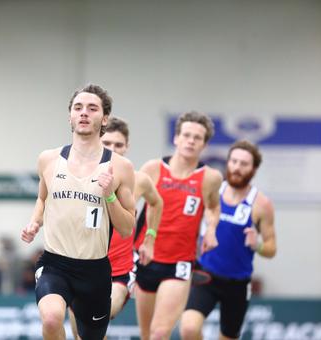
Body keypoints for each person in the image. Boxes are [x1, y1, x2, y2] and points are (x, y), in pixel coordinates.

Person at [21, 84, 136, 340]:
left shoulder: (120, 167)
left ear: (104, 118)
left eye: (92, 108)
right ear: (70, 116)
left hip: (94, 271)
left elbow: (128, 228)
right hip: (54, 263)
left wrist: (109, 196)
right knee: (51, 319)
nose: (84, 113)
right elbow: (42, 198)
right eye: (78, 108)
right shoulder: (48, 159)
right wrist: (34, 223)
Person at [68, 117, 163, 339]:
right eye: (108, 143)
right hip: (82, 268)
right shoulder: (77, 177)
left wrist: (150, 238)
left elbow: (157, 203)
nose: (113, 149)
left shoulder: (138, 180)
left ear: (127, 147)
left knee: (96, 313)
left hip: (119, 271)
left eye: (119, 145)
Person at [134, 111, 223, 340]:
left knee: (160, 333)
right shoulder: (153, 169)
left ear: (204, 144)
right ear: (176, 138)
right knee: (146, 335)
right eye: (186, 135)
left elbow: (213, 207)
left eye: (197, 137)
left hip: (179, 263)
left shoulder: (210, 177)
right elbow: (129, 204)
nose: (191, 140)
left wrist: (211, 229)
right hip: (146, 257)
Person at [180, 140, 277, 340]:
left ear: (254, 169)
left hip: (237, 283)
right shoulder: (212, 192)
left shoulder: (261, 204)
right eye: (233, 161)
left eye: (243, 164)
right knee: (189, 329)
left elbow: (271, 247)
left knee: (228, 336)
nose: (237, 168)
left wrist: (256, 244)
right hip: (205, 274)